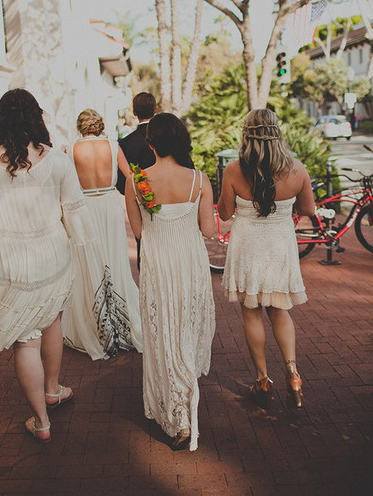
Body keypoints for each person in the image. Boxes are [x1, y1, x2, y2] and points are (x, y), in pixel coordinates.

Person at [0, 89, 95, 443]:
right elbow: (74, 209)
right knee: (51, 322)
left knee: (25, 342)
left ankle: (41, 422)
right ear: (36, 117)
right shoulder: (57, 159)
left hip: (9, 260)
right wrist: (81, 239)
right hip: (50, 253)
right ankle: (52, 389)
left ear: (0, 119)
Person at [125, 113, 215, 451]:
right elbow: (208, 230)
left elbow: (138, 232)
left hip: (158, 266)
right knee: (185, 330)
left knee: (164, 331)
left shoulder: (135, 181)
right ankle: (184, 401)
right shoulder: (199, 180)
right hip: (190, 265)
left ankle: (178, 414)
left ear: (150, 143)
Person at [217, 109, 315, 408]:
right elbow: (308, 210)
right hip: (279, 244)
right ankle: (293, 373)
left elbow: (224, 213)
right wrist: (286, 208)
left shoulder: (234, 169)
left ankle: (262, 379)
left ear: (247, 134)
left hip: (248, 244)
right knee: (279, 310)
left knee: (251, 313)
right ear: (276, 132)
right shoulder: (296, 169)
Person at [61, 108, 143, 360]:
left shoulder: (70, 149)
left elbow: (65, 185)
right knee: (114, 258)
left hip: (84, 208)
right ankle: (123, 321)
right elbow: (130, 177)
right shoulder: (112, 145)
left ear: (80, 127)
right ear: (99, 125)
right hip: (109, 205)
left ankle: (95, 324)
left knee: (87, 262)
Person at [117, 92, 157, 269]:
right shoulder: (165, 138)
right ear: (156, 109)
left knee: (143, 243)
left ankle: (147, 277)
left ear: (134, 112)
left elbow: (121, 183)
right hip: (169, 198)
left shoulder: (125, 143)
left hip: (140, 201)